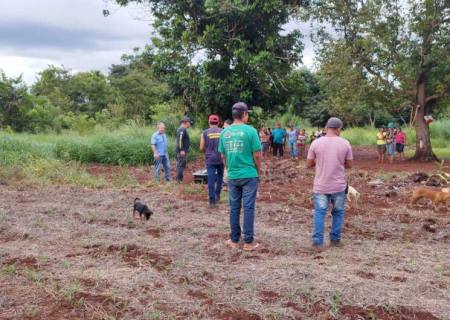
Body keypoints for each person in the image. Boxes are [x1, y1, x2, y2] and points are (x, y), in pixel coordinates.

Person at [219, 102, 262, 252]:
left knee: (234, 207)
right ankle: (249, 242)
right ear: (244, 114)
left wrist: (229, 168)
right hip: (249, 175)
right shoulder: (251, 131)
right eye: (247, 113)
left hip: (233, 175)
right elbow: (257, 155)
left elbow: (223, 155)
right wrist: (258, 170)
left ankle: (234, 239)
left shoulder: (225, 132)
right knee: (249, 207)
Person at [307, 117, 353, 250]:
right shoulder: (345, 143)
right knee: (338, 212)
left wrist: (320, 160)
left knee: (320, 213)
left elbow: (309, 164)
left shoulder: (316, 143)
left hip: (321, 185)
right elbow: (350, 164)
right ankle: (335, 240)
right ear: (338, 129)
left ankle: (317, 243)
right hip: (338, 186)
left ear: (327, 128)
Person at [200, 115, 224, 208]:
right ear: (218, 123)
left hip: (210, 159)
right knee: (220, 177)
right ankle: (217, 194)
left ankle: (212, 201)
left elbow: (201, 147)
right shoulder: (223, 132)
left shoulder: (205, 132)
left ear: (209, 122)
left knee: (211, 179)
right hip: (220, 158)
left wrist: (207, 150)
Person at [175, 116, 192, 183]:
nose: (190, 124)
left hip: (183, 151)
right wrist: (181, 149)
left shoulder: (182, 129)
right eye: (189, 123)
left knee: (181, 164)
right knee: (180, 165)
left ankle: (179, 179)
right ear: (186, 122)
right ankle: (179, 180)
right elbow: (179, 140)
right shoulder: (182, 129)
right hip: (181, 151)